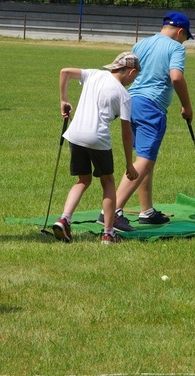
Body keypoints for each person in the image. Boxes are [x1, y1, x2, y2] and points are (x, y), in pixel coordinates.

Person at [103, 12, 194, 232]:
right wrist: (187, 106)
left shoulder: (141, 44)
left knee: (146, 159)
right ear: (180, 32)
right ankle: (112, 212)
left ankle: (147, 211)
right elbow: (176, 77)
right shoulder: (176, 48)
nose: (183, 41)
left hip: (131, 102)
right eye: (185, 37)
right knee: (144, 160)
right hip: (151, 107)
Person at [52, 52, 141, 244]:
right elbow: (126, 133)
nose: (133, 80)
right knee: (108, 182)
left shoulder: (94, 74)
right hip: (97, 138)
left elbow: (64, 71)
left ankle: (64, 219)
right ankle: (108, 233)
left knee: (83, 180)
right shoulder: (124, 95)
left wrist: (63, 100)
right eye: (135, 76)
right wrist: (129, 164)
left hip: (75, 135)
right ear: (131, 72)